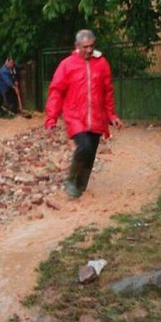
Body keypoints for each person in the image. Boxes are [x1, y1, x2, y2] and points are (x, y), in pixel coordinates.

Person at [44, 29, 123, 197]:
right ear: (77, 46)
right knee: (84, 147)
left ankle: (81, 187)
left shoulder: (102, 64)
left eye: (91, 46)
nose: (89, 50)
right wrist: (51, 118)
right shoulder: (67, 65)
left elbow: (107, 91)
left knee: (91, 151)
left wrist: (111, 115)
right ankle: (71, 180)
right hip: (75, 116)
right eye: (85, 46)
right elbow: (56, 92)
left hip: (96, 116)